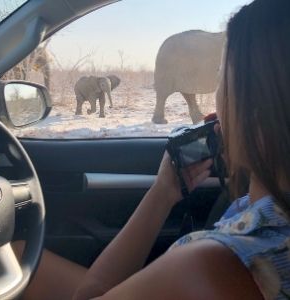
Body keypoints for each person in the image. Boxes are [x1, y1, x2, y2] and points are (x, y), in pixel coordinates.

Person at [14, 0, 290, 299]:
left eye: (222, 75)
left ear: (258, 111)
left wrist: (160, 195)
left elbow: (88, 295)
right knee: (15, 256)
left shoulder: (210, 267)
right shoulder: (261, 218)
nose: (216, 99)